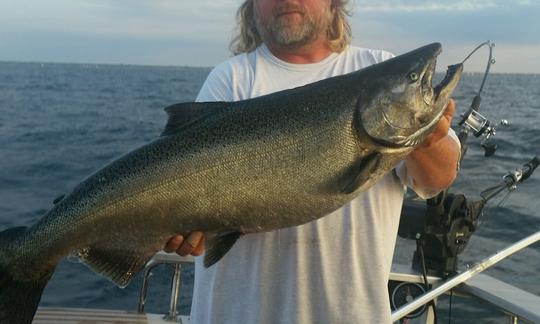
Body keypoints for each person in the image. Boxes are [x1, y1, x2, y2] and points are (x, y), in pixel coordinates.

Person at [164, 0, 461, 323]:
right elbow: (187, 181)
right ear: (252, 8)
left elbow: (438, 178)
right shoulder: (231, 78)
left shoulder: (378, 67)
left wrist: (427, 137)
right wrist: (180, 224)